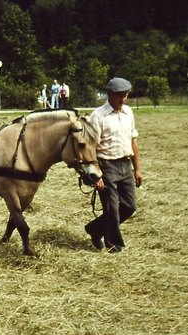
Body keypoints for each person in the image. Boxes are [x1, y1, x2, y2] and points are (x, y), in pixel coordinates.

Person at [84, 77, 143, 253]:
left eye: (125, 95)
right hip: (106, 165)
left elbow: (133, 140)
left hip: (125, 164)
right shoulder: (98, 116)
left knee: (130, 206)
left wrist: (137, 168)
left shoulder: (129, 113)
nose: (123, 99)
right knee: (112, 208)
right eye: (119, 95)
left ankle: (94, 229)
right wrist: (96, 175)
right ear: (109, 94)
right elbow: (90, 147)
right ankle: (115, 246)